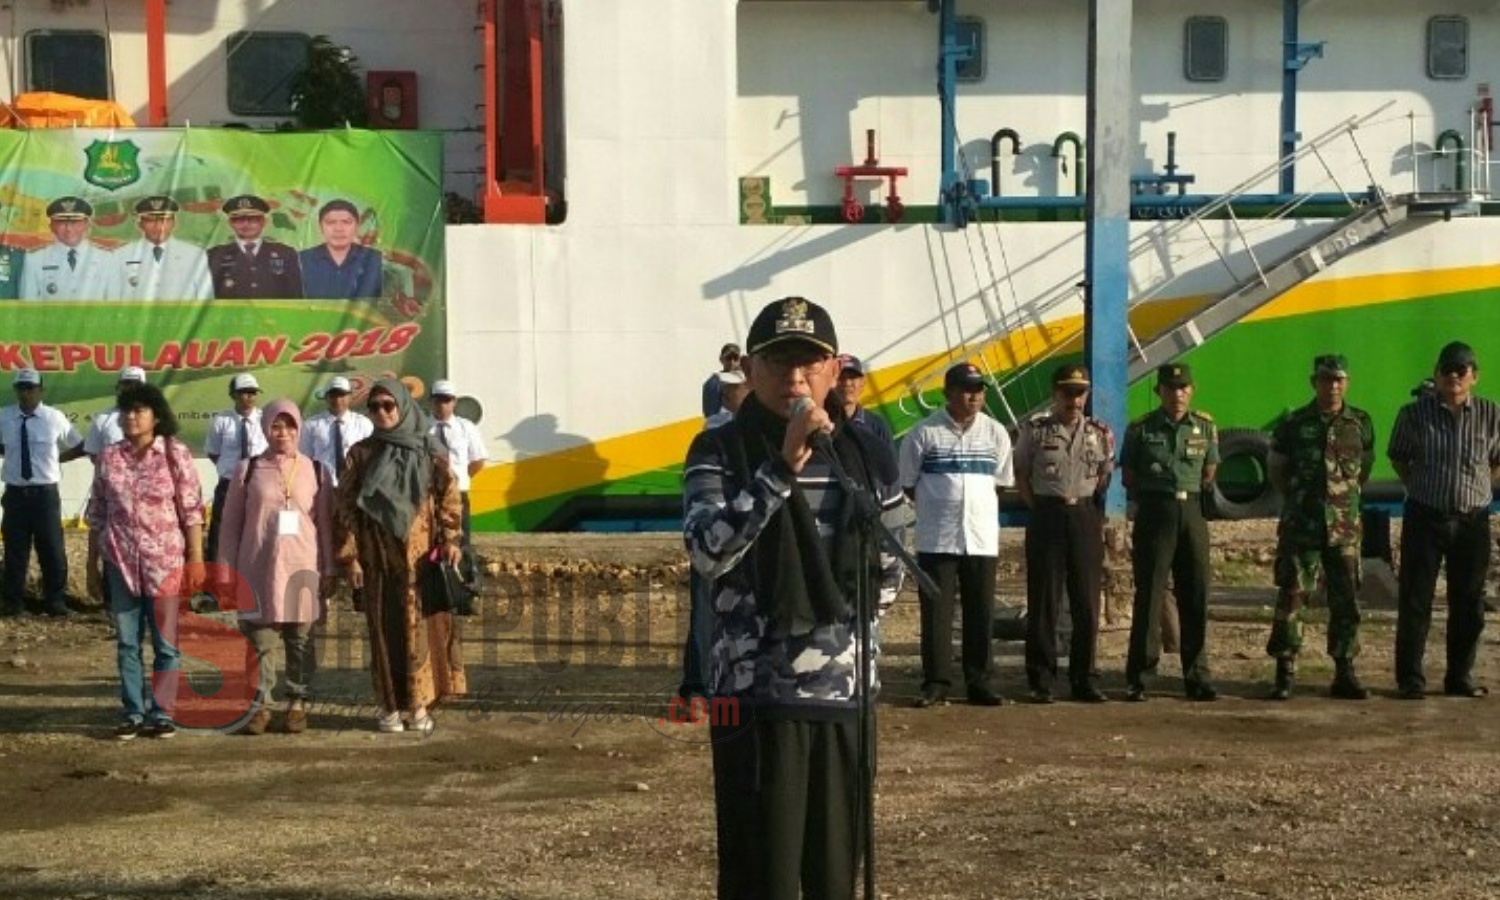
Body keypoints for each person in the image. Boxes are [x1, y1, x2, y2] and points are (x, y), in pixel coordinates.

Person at [683, 296, 903, 900]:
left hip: (843, 696)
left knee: (834, 876)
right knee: (762, 877)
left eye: (810, 363)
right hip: (754, 698)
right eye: (779, 362)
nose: (796, 379)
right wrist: (779, 470)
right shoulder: (719, 451)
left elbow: (889, 573)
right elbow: (707, 551)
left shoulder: (865, 452)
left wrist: (836, 634)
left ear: (835, 371)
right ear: (751, 370)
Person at [333, 378, 465, 734]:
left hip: (420, 562)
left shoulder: (428, 450)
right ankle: (389, 706)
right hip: (378, 560)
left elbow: (449, 497)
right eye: (374, 407)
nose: (381, 413)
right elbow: (344, 508)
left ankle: (419, 706)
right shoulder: (361, 455)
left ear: (404, 406)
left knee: (419, 631)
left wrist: (452, 539)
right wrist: (351, 558)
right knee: (383, 631)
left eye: (388, 406)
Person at [85, 383, 204, 740]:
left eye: (138, 411)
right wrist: (92, 564)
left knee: (166, 644)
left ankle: (162, 712)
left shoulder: (174, 453)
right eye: (126, 411)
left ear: (156, 416)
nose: (130, 417)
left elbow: (192, 509)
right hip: (120, 563)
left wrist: (196, 557)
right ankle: (133, 712)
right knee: (126, 642)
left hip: (164, 563)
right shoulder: (109, 457)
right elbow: (98, 513)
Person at [1387, 341, 1500, 699]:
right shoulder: (1413, 415)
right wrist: (1422, 488)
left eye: (1461, 370)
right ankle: (1410, 680)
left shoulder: (1491, 414)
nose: (1454, 376)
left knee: (1468, 603)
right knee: (1416, 601)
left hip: (1472, 521)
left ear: (1474, 377)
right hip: (1425, 517)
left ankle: (1459, 678)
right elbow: (1400, 458)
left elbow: (1497, 460)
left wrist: (1478, 489)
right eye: (1447, 369)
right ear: (1436, 375)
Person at [216, 399, 336, 735]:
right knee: (260, 639)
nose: (283, 432)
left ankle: (297, 702)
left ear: (300, 428)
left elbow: (325, 524)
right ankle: (261, 705)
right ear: (265, 428)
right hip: (257, 566)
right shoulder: (248, 469)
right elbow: (230, 525)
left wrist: (330, 570)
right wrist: (226, 571)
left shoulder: (318, 470)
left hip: (302, 565)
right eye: (276, 425)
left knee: (301, 640)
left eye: (290, 425)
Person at [900, 361, 1014, 707]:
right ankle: (936, 682)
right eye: (967, 389)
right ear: (948, 392)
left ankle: (980, 681)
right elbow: (908, 484)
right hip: (938, 537)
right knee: (937, 612)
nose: (974, 396)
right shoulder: (923, 433)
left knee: (980, 611)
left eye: (979, 390)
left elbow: (1000, 482)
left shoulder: (995, 433)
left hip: (979, 537)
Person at [1265, 354, 1376, 701]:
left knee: (1346, 601)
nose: (1334, 386)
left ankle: (1345, 671)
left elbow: (1364, 470)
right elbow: (1278, 471)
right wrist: (1301, 501)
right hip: (1303, 526)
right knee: (1293, 598)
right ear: (1315, 382)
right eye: (1327, 380)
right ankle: (1285, 672)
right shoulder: (1294, 424)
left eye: (1339, 379)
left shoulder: (1360, 423)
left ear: (1348, 382)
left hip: (1343, 528)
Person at [1014, 364, 1114, 704]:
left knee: (1086, 600)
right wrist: (1042, 506)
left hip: (1084, 514)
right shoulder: (1036, 430)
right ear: (1055, 394)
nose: (1074, 399)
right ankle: (1040, 678)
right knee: (1044, 599)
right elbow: (1022, 475)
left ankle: (1084, 677)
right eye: (1068, 392)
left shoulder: (1100, 432)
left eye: (1080, 392)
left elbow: (1103, 476)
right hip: (1047, 513)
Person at [1121, 363, 1220, 702]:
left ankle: (1197, 676)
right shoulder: (1140, 429)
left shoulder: (1205, 427)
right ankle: (1141, 677)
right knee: (1149, 593)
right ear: (1159, 392)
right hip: (1155, 510)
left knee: (1196, 592)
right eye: (1169, 389)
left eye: (1183, 388)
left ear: (1191, 391)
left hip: (1192, 511)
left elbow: (1209, 471)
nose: (1177, 395)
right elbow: (1130, 476)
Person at [1, 368, 85, 617]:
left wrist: (57, 460)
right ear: (16, 390)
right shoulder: (4, 417)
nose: (26, 393)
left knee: (52, 549)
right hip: (15, 494)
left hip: (45, 494)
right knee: (16, 550)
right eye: (21, 388)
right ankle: (13, 604)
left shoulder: (54, 417)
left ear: (40, 390)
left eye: (30, 388)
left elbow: (80, 445)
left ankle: (56, 602)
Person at [204, 373, 268, 564]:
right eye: (243, 393)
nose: (248, 397)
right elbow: (213, 452)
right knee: (221, 532)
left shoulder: (265, 419)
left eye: (252, 393)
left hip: (257, 485)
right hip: (229, 484)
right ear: (233, 395)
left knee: (258, 530)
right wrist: (232, 470)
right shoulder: (221, 420)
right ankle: (217, 582)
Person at [428, 379, 487, 585]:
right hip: (430, 495)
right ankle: (436, 589)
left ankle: (465, 588)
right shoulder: (422, 429)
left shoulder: (466, 427)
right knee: (431, 542)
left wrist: (458, 480)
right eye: (438, 399)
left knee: (461, 541)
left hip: (458, 495)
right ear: (431, 401)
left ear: (454, 402)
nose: (442, 404)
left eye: (447, 400)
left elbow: (478, 461)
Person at [111, 195, 213, 301]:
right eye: (150, 220)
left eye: (164, 220)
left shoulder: (194, 255)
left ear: (174, 223)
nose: (159, 227)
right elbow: (112, 299)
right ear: (140, 224)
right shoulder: (121, 255)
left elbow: (206, 298)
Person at [207, 194, 305, 299]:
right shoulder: (215, 255)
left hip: (274, 315)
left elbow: (296, 296)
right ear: (230, 223)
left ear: (264, 222)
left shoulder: (286, 253)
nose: (246, 224)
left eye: (253, 219)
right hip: (231, 315)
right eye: (239, 219)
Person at [21, 196, 114, 300]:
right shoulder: (35, 259)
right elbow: (28, 306)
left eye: (75, 222)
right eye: (61, 222)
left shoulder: (107, 259)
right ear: (51, 226)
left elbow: (115, 306)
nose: (69, 228)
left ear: (87, 225)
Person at [299, 199, 382, 299]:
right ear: (321, 227)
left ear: (356, 227)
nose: (338, 229)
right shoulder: (300, 260)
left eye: (346, 222)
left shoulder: (376, 260)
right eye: (331, 222)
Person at [300, 376, 373, 487]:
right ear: (326, 397)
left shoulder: (363, 424)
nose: (338, 400)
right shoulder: (311, 425)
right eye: (333, 395)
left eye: (342, 395)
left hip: (355, 487)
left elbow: (371, 459)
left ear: (351, 396)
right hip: (323, 487)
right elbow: (304, 459)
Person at [83, 366, 149, 461]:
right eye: (126, 386)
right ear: (118, 388)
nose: (130, 390)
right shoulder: (103, 418)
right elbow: (93, 453)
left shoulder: (157, 417)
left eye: (135, 386)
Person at [835, 354, 895, 450]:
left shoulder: (877, 425)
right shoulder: (821, 424)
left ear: (862, 383)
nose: (847, 383)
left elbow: (890, 463)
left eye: (852, 377)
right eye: (840, 378)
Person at [701, 342, 742, 418]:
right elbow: (711, 416)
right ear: (721, 359)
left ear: (740, 360)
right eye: (728, 358)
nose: (732, 362)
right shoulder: (713, 383)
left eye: (735, 358)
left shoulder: (747, 378)